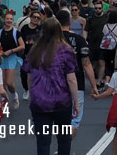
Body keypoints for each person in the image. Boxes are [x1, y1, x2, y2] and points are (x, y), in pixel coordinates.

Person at [23, 18, 79, 155]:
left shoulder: (34, 50)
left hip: (40, 101)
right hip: (61, 100)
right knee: (64, 139)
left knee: (43, 141)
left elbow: (29, 76)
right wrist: (76, 102)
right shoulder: (66, 50)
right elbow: (71, 79)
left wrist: (32, 93)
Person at [57, 10, 98, 137]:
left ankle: (61, 146)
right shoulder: (79, 40)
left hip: (56, 83)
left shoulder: (51, 41)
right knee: (74, 120)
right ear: (69, 22)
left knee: (59, 120)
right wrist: (93, 85)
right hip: (77, 81)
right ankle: (66, 147)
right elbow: (86, 63)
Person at [0, 10, 25, 110]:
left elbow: (22, 46)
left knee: (9, 83)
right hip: (2, 58)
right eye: (7, 19)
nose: (9, 20)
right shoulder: (0, 32)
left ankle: (14, 95)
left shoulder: (16, 33)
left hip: (12, 57)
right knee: (2, 83)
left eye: (11, 19)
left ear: (13, 20)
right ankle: (4, 100)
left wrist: (11, 51)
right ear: (4, 20)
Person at [99, 10, 117, 89]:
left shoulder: (105, 26)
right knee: (114, 65)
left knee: (107, 64)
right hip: (115, 47)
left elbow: (104, 34)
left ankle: (106, 80)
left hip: (106, 47)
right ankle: (112, 82)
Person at [84, 1, 108, 88]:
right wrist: (84, 41)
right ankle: (95, 80)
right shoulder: (90, 19)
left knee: (102, 62)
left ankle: (98, 82)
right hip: (92, 44)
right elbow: (86, 30)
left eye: (99, 8)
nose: (97, 10)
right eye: (96, 8)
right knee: (93, 63)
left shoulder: (106, 17)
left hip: (103, 44)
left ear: (102, 9)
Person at [19, 9, 42, 100]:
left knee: (37, 74)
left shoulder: (40, 29)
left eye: (38, 18)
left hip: (37, 55)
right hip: (26, 55)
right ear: (30, 17)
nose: (36, 19)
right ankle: (26, 89)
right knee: (23, 74)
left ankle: (36, 91)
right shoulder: (25, 28)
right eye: (34, 17)